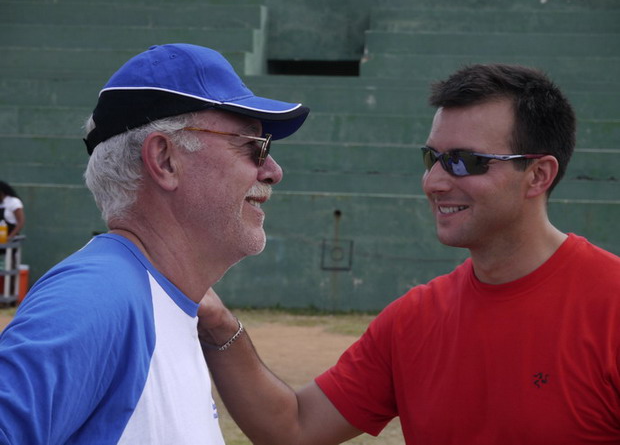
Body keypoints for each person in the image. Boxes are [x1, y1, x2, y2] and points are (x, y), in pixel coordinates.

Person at [198, 63, 620, 444]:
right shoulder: (415, 319)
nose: (434, 181)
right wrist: (218, 325)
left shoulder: (610, 306)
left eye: (463, 162)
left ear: (538, 175)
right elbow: (294, 429)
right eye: (432, 157)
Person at [0, 43, 309, 444]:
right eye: (254, 145)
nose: (273, 171)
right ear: (164, 160)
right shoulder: (96, 296)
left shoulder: (159, 297)